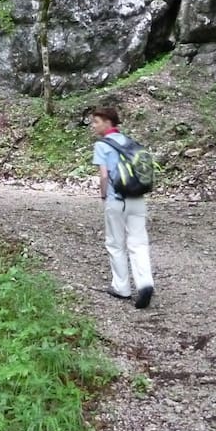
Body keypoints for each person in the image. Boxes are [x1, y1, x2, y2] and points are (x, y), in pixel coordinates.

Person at [91, 105, 154, 309]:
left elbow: (103, 175)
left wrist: (103, 195)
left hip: (116, 199)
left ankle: (122, 287)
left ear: (108, 122)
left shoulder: (102, 145)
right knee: (139, 242)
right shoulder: (128, 142)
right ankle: (145, 283)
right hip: (137, 197)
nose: (93, 126)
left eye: (96, 121)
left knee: (115, 243)